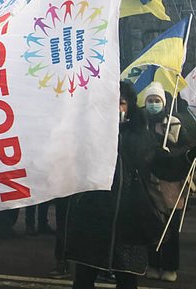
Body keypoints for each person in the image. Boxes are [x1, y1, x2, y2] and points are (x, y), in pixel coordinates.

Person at [66, 82, 158, 289]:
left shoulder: (139, 135)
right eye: (111, 102)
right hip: (93, 216)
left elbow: (157, 164)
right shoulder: (88, 132)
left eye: (122, 103)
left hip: (128, 220)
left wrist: (186, 157)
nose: (117, 107)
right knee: (84, 277)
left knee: (127, 279)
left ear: (130, 107)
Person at [140, 82, 189, 283]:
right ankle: (152, 264)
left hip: (171, 185)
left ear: (164, 102)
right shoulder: (140, 123)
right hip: (148, 184)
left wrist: (170, 150)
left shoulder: (174, 124)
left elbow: (187, 150)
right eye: (150, 101)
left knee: (170, 228)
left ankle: (169, 267)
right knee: (150, 226)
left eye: (157, 101)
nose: (153, 104)